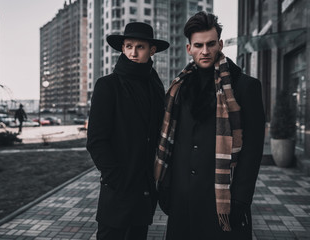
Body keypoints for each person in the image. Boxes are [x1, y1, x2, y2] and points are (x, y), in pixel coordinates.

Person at [154, 11, 265, 240]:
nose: (205, 51)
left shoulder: (245, 87)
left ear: (220, 44)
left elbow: (253, 150)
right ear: (189, 49)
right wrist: (166, 187)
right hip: (182, 205)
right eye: (198, 45)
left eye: (211, 44)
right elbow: (174, 143)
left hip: (223, 204)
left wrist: (240, 199)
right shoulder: (179, 88)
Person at [86, 22, 169, 240]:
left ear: (152, 50)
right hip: (118, 190)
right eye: (128, 45)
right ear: (122, 48)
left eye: (140, 46)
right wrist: (117, 179)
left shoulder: (156, 85)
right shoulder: (108, 85)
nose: (133, 52)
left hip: (145, 190)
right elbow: (96, 140)